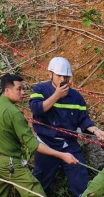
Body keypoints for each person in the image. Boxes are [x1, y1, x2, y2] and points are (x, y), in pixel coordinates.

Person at [0, 74, 79, 197]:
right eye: (19, 89)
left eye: (23, 89)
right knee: (36, 193)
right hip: (9, 164)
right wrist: (62, 155)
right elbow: (33, 144)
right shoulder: (14, 113)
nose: (23, 92)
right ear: (7, 91)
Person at [29, 57, 104, 197]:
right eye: (59, 75)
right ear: (50, 74)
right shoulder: (40, 89)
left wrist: (96, 130)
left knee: (82, 184)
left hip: (69, 145)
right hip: (46, 144)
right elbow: (36, 109)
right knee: (39, 185)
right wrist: (56, 96)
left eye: (66, 76)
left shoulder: (76, 97)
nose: (63, 79)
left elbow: (83, 120)